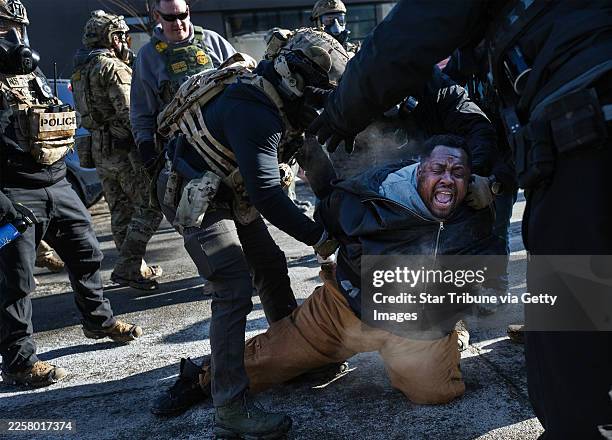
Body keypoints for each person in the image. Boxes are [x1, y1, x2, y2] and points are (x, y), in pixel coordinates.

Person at [308, 1, 612, 438]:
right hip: (570, 125)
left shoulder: (441, 88)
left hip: (580, 134)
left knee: (569, 307)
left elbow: (409, 36)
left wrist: (488, 177)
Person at [155, 135, 503, 412]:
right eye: (438, 169)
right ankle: (198, 379)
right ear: (418, 169)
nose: (447, 180)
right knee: (265, 361)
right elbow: (328, 217)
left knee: (438, 392)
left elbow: (489, 281)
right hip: (343, 311)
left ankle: (449, 333)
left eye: (457, 174)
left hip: (415, 328)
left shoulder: (473, 216)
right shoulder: (367, 195)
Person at [150, 29, 349, 439]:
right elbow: (271, 198)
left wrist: (340, 219)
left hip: (231, 188)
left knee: (272, 266)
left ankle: (292, 356)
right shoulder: (254, 110)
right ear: (298, 79)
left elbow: (316, 163)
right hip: (194, 194)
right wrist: (323, 238)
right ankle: (230, 405)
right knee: (232, 283)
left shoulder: (286, 105)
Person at [0, 0, 143, 388]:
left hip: (56, 182)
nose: (14, 39)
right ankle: (18, 363)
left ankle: (99, 321)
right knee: (15, 280)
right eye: (3, 30)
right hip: (11, 193)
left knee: (86, 253)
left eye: (18, 29)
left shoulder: (29, 77)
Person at [71, 10, 163, 290]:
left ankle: (136, 270)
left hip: (101, 151)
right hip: (126, 151)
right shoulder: (112, 67)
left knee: (120, 211)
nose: (124, 41)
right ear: (110, 38)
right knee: (152, 205)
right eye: (120, 36)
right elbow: (130, 111)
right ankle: (128, 265)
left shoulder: (81, 69)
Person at [131, 0, 236, 172]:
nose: (178, 23)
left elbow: (242, 78)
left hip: (228, 139)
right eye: (170, 18)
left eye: (182, 15)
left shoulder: (214, 41)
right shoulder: (147, 56)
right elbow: (141, 112)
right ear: (157, 16)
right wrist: (146, 148)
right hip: (183, 151)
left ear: (188, 11)